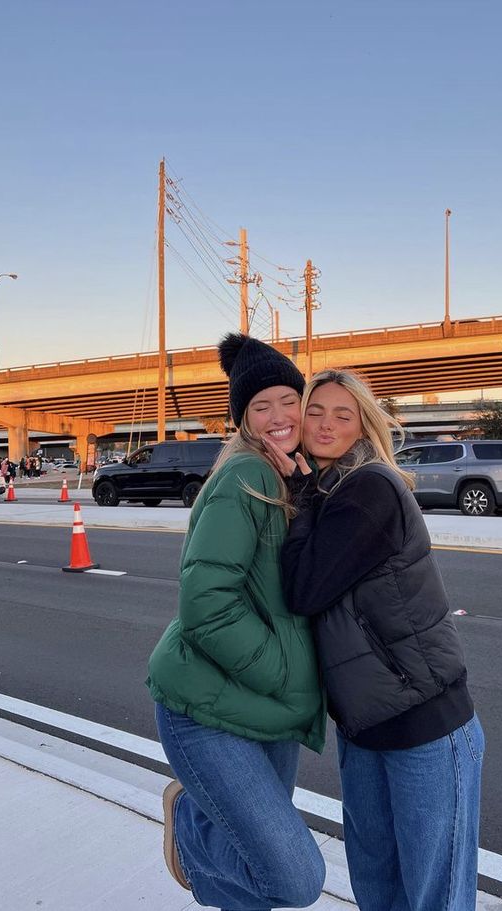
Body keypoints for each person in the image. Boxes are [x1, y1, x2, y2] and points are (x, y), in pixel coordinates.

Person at [269, 369, 484, 911]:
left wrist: (298, 492)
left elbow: (305, 588)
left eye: (343, 415)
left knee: (432, 896)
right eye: (315, 410)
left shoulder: (369, 488)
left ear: (363, 425)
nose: (324, 424)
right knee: (378, 887)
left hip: (425, 722)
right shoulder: (329, 488)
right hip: (364, 728)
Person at [147, 333, 326, 909]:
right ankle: (192, 825)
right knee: (294, 878)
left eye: (287, 400)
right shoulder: (243, 478)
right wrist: (283, 674)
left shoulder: (290, 477)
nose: (279, 416)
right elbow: (206, 605)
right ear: (244, 420)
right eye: (260, 406)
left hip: (267, 709)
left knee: (254, 878)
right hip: (208, 710)